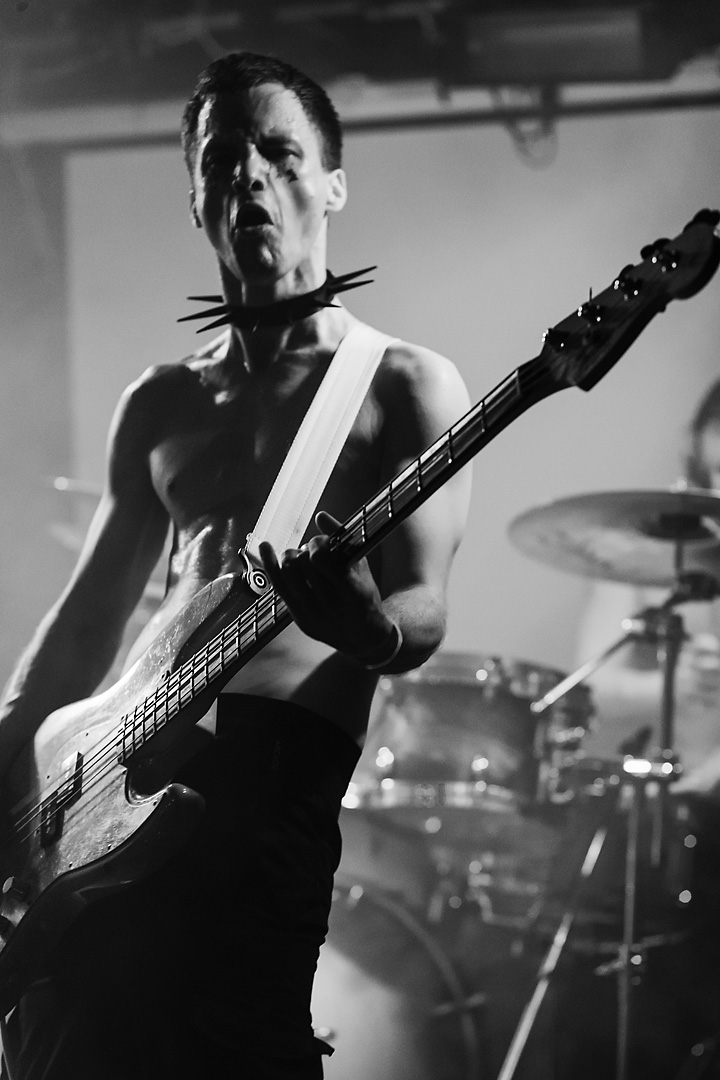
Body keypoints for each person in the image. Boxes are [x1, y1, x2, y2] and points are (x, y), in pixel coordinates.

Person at [0, 51, 471, 1079]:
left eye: (279, 150)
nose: (250, 174)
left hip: (269, 783)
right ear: (196, 202)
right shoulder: (159, 401)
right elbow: (87, 624)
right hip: (113, 768)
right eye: (223, 159)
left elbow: (424, 602)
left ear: (333, 184)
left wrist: (371, 627)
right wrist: (3, 771)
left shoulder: (404, 385)